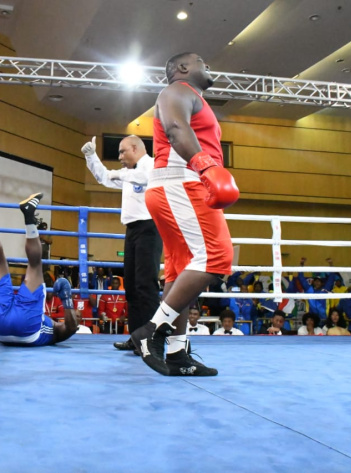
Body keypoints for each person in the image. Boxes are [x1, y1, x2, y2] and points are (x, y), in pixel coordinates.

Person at [131, 52, 239, 377]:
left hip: (175, 185)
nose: (208, 65)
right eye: (202, 62)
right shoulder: (176, 91)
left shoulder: (191, 97)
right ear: (182, 69)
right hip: (182, 182)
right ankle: (151, 331)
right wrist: (206, 167)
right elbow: (176, 129)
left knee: (180, 271)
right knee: (217, 256)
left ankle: (178, 352)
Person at [82, 134, 163, 353]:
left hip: (150, 229)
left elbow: (141, 177)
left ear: (136, 148)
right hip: (132, 230)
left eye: (122, 151)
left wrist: (121, 174)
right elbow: (104, 178)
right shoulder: (128, 173)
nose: (119, 156)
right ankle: (137, 338)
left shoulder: (152, 166)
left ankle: (152, 342)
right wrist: (91, 156)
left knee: (146, 286)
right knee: (133, 289)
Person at [0, 192, 78, 346]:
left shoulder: (51, 331)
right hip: (4, 329)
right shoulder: (51, 332)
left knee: (34, 264)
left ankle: (26, 217)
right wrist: (67, 299)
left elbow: (71, 328)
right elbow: (70, 328)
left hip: (18, 326)